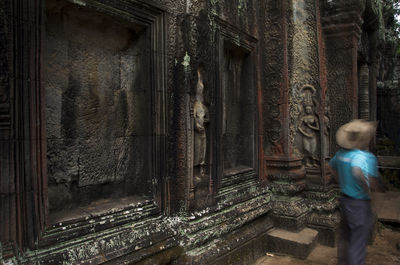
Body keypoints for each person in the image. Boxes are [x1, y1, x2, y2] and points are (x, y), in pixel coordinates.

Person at [329, 119, 381, 265]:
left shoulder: (340, 154)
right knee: (358, 240)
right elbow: (358, 170)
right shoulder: (364, 156)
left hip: (345, 199)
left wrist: (341, 181)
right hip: (359, 202)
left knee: (345, 236)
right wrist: (368, 190)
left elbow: (331, 167)